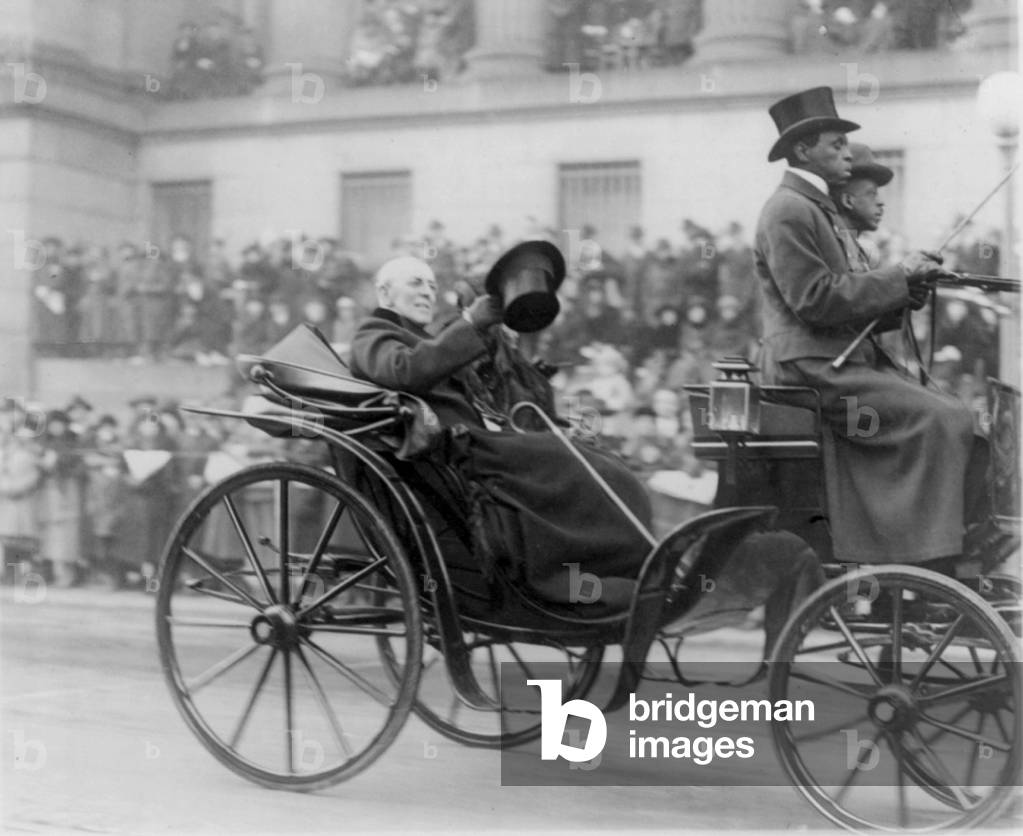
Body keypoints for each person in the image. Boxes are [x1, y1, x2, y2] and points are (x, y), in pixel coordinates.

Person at [350, 250, 821, 635]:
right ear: (385, 293)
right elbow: (404, 373)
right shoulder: (376, 334)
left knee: (602, 462)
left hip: (478, 444)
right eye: (416, 284)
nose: (427, 292)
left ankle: (627, 571)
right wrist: (471, 326)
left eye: (431, 285)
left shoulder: (429, 337)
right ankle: (572, 579)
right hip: (460, 455)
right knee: (566, 460)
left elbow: (464, 379)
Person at [754, 86, 980, 566]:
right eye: (836, 145)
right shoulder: (787, 210)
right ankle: (922, 552)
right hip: (810, 369)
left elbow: (850, 300)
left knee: (959, 415)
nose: (845, 156)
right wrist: (898, 278)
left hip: (837, 362)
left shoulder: (821, 211)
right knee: (942, 418)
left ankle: (935, 541)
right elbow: (815, 300)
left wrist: (906, 292)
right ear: (803, 150)